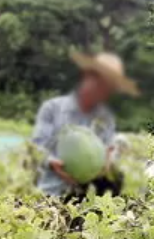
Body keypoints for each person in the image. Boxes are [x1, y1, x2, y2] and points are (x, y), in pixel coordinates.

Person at [32, 51, 139, 198]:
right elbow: (36, 149)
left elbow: (105, 157)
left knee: (118, 180)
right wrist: (52, 162)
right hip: (53, 192)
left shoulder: (106, 118)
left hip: (88, 194)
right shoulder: (52, 108)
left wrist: (108, 160)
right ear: (87, 76)